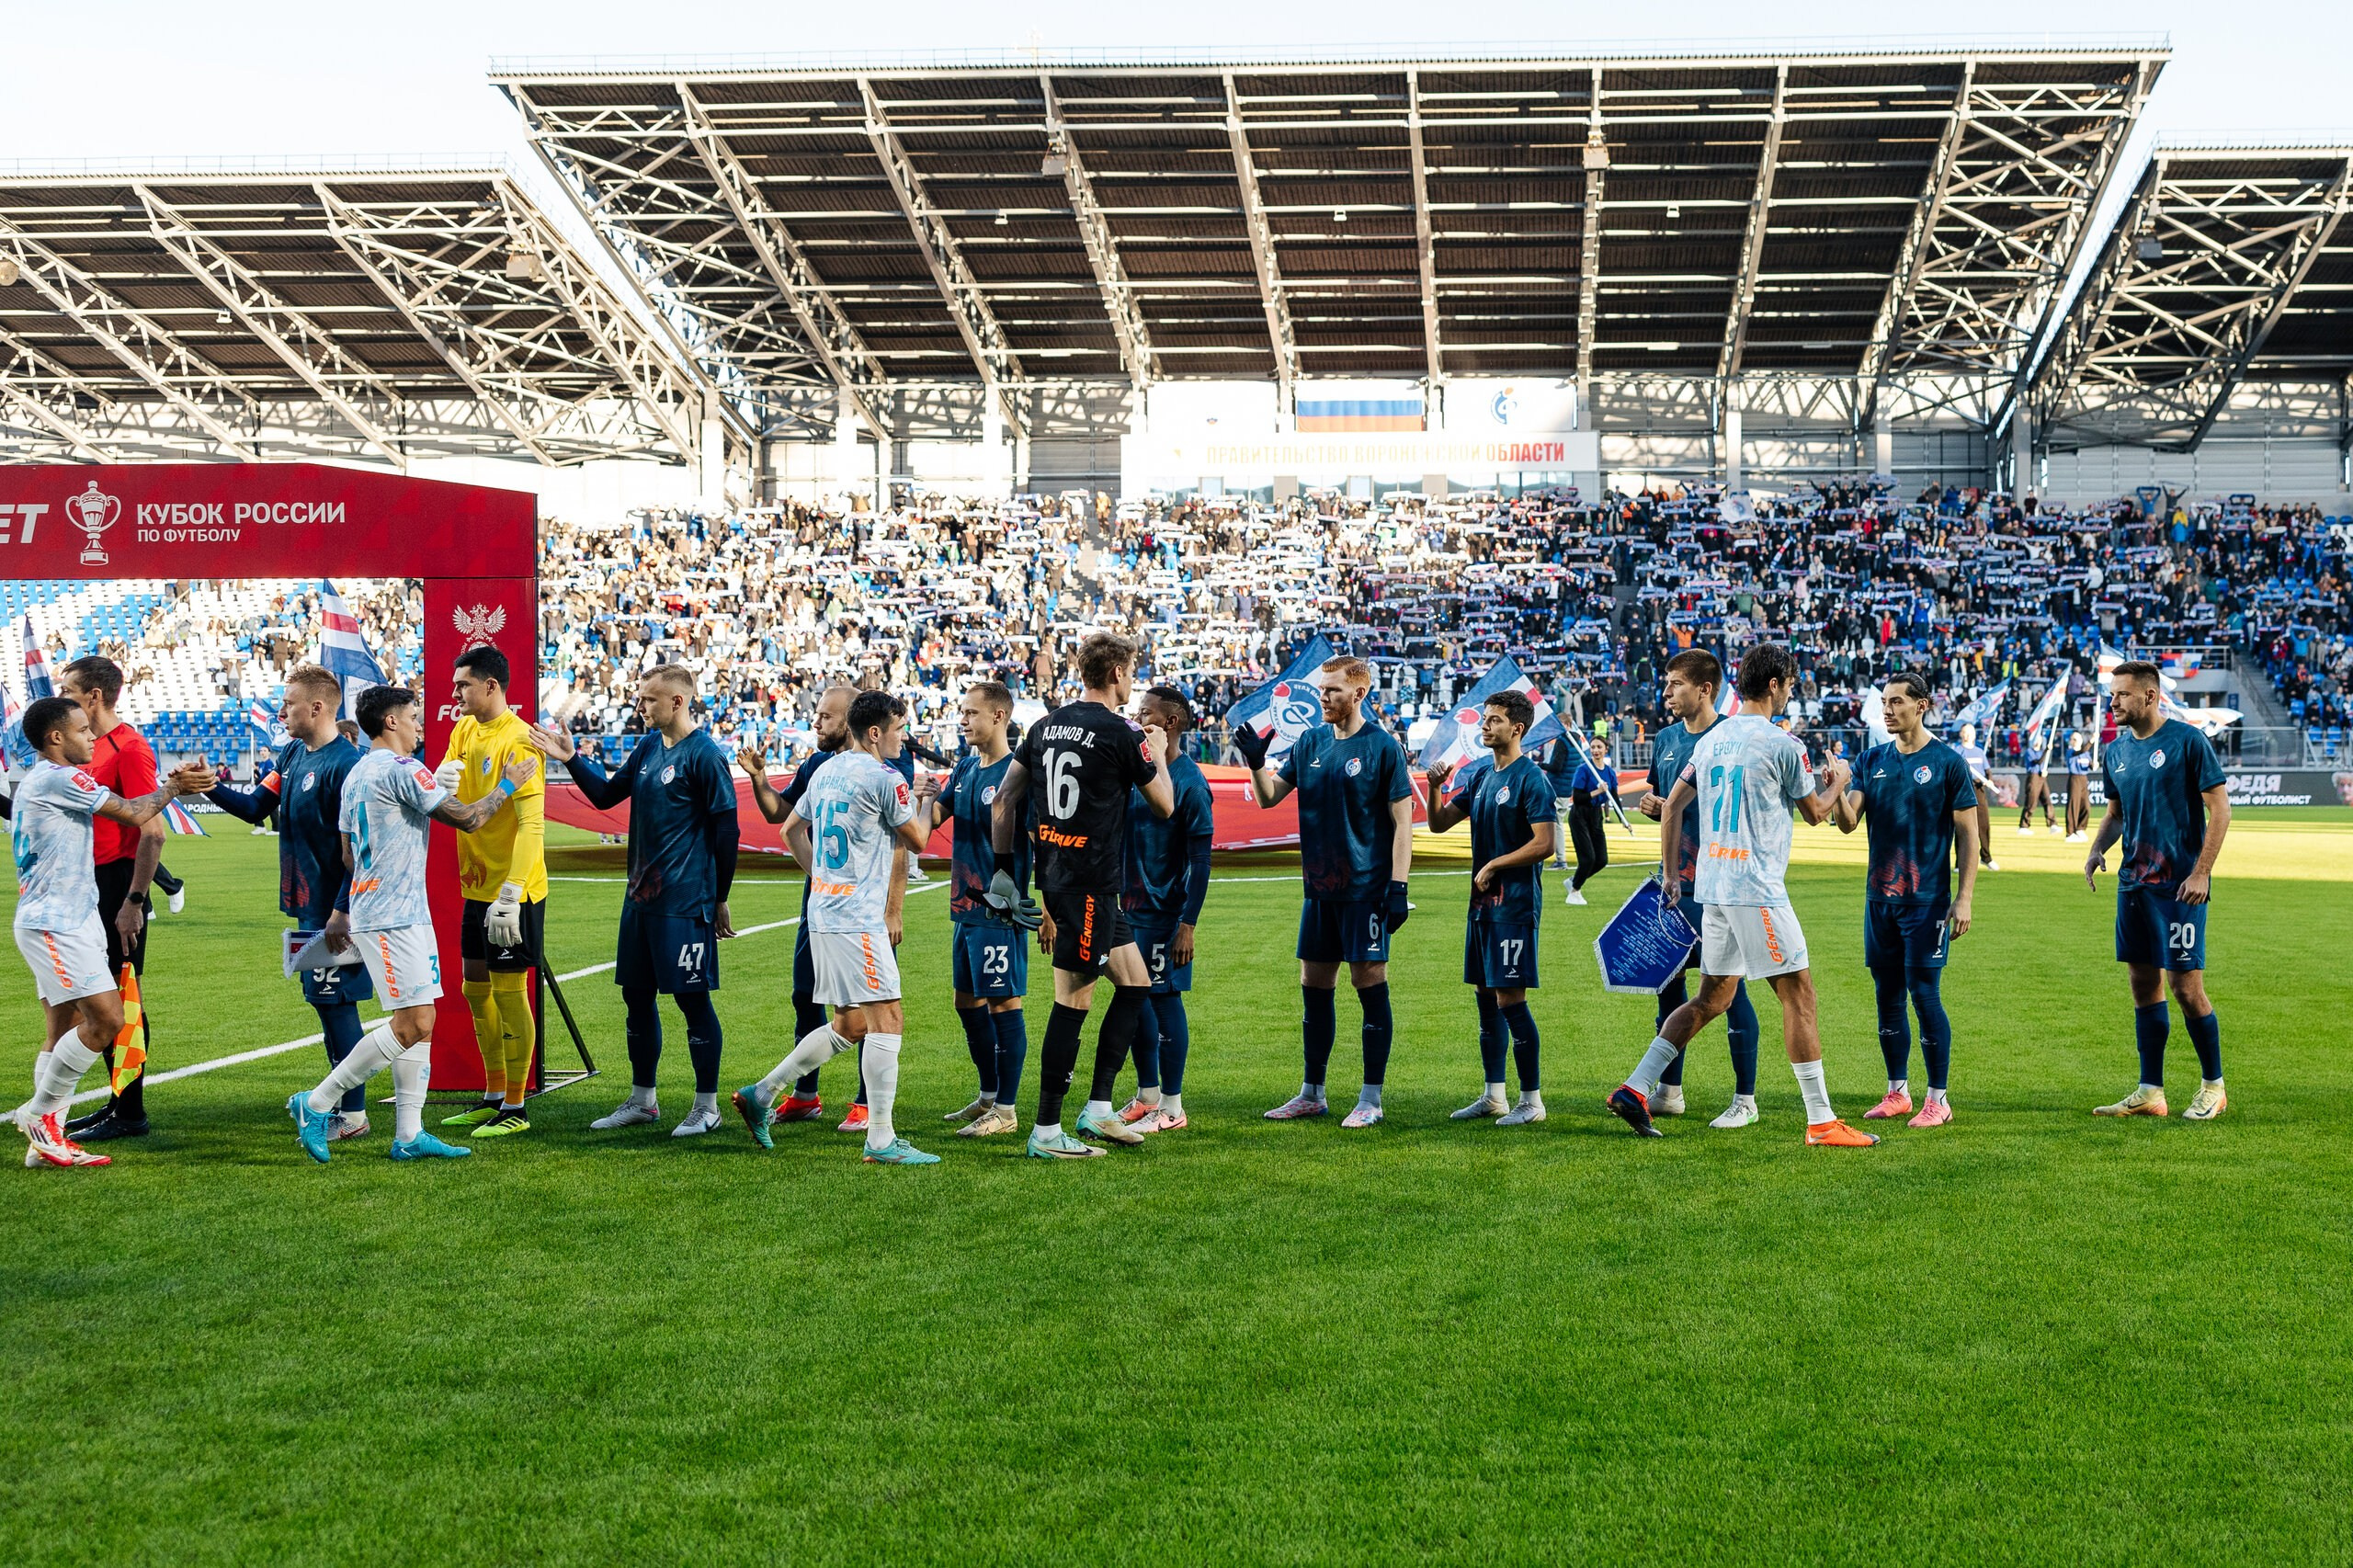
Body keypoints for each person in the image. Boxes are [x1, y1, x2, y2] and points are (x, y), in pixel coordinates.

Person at [1604, 643, 1879, 1147]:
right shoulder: (1782, 744)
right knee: (1799, 996)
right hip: (1756, 889)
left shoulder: (1713, 739)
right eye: (1790, 686)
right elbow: (1817, 813)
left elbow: (1671, 808)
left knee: (1712, 998)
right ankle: (1821, 1121)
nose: (1790, 694)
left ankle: (1636, 1088)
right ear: (1774, 685)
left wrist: (1671, 876)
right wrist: (1839, 779)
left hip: (1712, 887)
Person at [287, 685, 538, 1164]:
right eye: (414, 717)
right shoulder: (402, 768)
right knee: (414, 1022)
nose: (422, 726)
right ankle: (316, 1103)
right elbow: (466, 819)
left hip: (391, 911)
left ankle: (408, 1134)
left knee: (424, 1025)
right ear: (390, 722)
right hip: (391, 917)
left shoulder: (358, 773)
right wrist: (507, 785)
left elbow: (346, 853)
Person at [732, 690, 943, 1165]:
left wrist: (823, 879)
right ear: (875, 733)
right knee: (888, 1020)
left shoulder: (826, 769)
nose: (903, 738)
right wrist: (929, 800)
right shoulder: (886, 776)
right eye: (898, 729)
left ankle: (761, 1093)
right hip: (858, 919)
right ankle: (882, 1140)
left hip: (824, 915)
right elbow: (919, 839)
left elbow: (788, 830)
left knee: (851, 1022)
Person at [529, 665, 740, 1137]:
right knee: (636, 998)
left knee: (692, 1000)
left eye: (648, 700)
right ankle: (643, 1101)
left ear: (678, 702)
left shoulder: (705, 755)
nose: (639, 707)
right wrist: (572, 758)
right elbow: (605, 796)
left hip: (685, 904)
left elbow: (727, 830)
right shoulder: (647, 747)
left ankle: (707, 1107)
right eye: (640, 698)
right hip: (640, 901)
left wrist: (719, 897)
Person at [990, 631, 1176, 1158]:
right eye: (1131, 669)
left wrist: (1006, 873)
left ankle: (1098, 1110)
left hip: (1067, 879)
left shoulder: (1046, 726)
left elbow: (1004, 800)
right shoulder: (1124, 733)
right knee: (1073, 1002)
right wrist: (1159, 753)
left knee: (1136, 983)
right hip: (1088, 883)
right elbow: (1163, 804)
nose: (1132, 678)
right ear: (1118, 673)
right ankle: (1047, 1132)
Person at [9, 697, 211, 1169]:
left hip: (59, 919)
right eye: (82, 730)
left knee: (61, 1027)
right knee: (107, 1022)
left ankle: (45, 1142)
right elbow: (137, 814)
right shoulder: (62, 777)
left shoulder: (39, 779)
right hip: (57, 924)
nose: (92, 736)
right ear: (55, 738)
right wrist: (175, 787)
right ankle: (39, 1116)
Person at [1234, 655, 1415, 1128]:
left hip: (1365, 891)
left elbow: (1403, 823)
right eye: (1321, 690)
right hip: (1318, 889)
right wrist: (1255, 764)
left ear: (1359, 695)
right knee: (1314, 989)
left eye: (1333, 691)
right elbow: (1271, 795)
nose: (1323, 699)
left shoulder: (1382, 747)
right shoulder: (1311, 741)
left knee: (1368, 987)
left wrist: (1398, 886)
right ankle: (1312, 1093)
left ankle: (1371, 1098)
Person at [204, 665, 375, 1139]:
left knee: (339, 1006)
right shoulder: (293, 752)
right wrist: (210, 786)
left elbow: (360, 849)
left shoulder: (348, 765)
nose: (281, 710)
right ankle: (343, 1104)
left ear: (316, 707)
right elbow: (255, 807)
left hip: (335, 909)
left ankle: (354, 1116)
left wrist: (342, 909)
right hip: (308, 904)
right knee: (325, 1004)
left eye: (288, 702)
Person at [2084, 661, 2232, 1120]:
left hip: (2179, 889)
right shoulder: (2116, 751)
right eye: (2112, 695)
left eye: (2123, 695)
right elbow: (2117, 813)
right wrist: (2095, 849)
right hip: (2133, 886)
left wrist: (2202, 872)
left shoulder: (2188, 741)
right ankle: (2151, 1092)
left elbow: (2220, 810)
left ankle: (2214, 1086)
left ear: (2150, 696)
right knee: (2142, 984)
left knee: (2186, 987)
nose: (2114, 703)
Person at [1832, 673, 1980, 1128]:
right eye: (1884, 702)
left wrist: (1965, 898)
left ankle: (1938, 1099)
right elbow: (1848, 823)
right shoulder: (1873, 758)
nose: (1888, 709)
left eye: (1896, 701)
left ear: (1922, 705)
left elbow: (1968, 836)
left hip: (1928, 903)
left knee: (1924, 994)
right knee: (1887, 995)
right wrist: (1838, 785)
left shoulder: (1948, 762)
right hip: (1880, 899)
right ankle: (1897, 1092)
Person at [1637, 649, 1763, 1127]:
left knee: (1732, 994)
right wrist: (1656, 806)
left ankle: (1745, 1098)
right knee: (1668, 990)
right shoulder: (1668, 739)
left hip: (1720, 884)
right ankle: (1670, 1091)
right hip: (1674, 886)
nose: (1666, 693)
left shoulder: (1730, 737)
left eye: (1674, 685)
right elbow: (1666, 802)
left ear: (1704, 689)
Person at [431, 646, 549, 1139]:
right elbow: (447, 792)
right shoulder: (464, 730)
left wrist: (513, 892)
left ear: (491, 687)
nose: (455, 693)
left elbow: (533, 825)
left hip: (512, 893)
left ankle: (517, 1106)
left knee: (508, 990)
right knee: (474, 990)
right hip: (475, 887)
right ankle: (493, 1094)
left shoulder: (520, 741)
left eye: (462, 685)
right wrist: (438, 781)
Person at [739, 684, 870, 1131]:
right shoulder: (817, 764)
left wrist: (891, 908)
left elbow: (899, 846)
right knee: (806, 995)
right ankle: (805, 1095)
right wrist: (759, 779)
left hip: (861, 908)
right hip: (821, 904)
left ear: (852, 719)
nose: (816, 722)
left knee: (871, 1004)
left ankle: (866, 1102)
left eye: (826, 716)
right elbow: (782, 817)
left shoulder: (882, 765)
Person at [1423, 689, 1555, 1126]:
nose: (1484, 726)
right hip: (1481, 907)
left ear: (1516, 728)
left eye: (1494, 720)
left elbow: (1545, 844)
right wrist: (1435, 789)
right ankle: (1493, 1095)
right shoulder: (1481, 776)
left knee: (1510, 1000)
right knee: (1485, 1000)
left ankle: (1532, 1102)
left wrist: (1495, 863)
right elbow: (1439, 824)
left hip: (1513, 908)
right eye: (1485, 719)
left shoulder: (1531, 779)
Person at [55, 657, 163, 1142]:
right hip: (84, 886)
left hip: (116, 887)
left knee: (122, 998)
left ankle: (130, 1111)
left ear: (94, 696)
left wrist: (134, 900)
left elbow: (153, 831)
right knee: (97, 1001)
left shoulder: (130, 748)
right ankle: (117, 1103)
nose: (62, 697)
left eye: (69, 689)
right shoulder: (82, 747)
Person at [931, 680, 1031, 1139]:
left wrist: (1044, 907)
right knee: (966, 1002)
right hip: (963, 910)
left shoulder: (1019, 772)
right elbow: (934, 819)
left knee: (1003, 1003)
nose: (964, 720)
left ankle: (1007, 1111)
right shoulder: (966, 769)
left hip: (1000, 911)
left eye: (972, 712)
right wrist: (925, 797)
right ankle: (989, 1095)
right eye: (963, 712)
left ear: (999, 717)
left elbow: (1041, 843)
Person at [1115, 685, 1216, 1134]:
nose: (1137, 717)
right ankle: (1147, 1095)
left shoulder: (1191, 783)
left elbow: (1201, 861)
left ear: (1169, 723)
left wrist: (1187, 924)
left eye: (1146, 712)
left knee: (1164, 1000)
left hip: (1164, 914)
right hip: (1130, 908)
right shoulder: (1137, 772)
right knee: (1134, 1001)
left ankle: (1172, 1107)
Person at [1563, 736, 1617, 905]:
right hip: (1579, 815)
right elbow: (1577, 798)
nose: (1595, 750)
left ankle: (1574, 880)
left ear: (1606, 749)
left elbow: (1613, 796)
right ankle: (1574, 892)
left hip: (1595, 815)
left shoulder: (1609, 772)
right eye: (1593, 747)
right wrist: (1597, 791)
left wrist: (1624, 820)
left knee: (1601, 860)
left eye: (1599, 747)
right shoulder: (1583, 769)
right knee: (1588, 858)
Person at [1953, 722, 2000, 872]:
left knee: (1983, 825)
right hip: (1963, 790)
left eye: (1970, 733)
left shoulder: (1979, 752)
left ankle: (1986, 857)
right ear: (1961, 734)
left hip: (1979, 790)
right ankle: (1960, 863)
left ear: (1974, 735)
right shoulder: (1956, 752)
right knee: (1962, 827)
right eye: (1964, 732)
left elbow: (1987, 771)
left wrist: (1989, 780)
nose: (1967, 735)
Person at [2064, 731, 2093, 841]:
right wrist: (2091, 742)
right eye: (2073, 739)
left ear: (2081, 740)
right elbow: (2081, 751)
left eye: (2076, 739)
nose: (2074, 741)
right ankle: (2070, 833)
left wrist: (2094, 765)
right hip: (2074, 778)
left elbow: (2090, 764)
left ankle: (2080, 829)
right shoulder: (2070, 752)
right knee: (2073, 806)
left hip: (2083, 779)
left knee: (2085, 806)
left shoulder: (2086, 753)